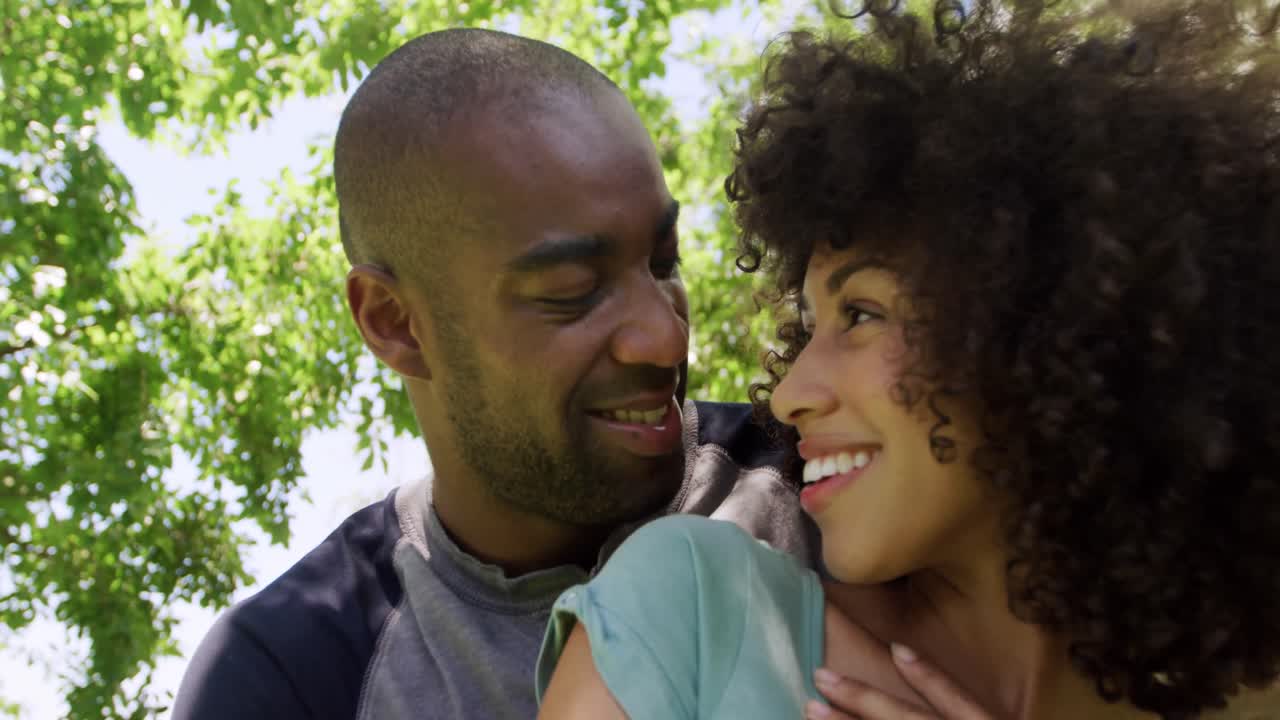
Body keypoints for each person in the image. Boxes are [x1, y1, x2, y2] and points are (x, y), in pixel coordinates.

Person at [535, 1, 1280, 719]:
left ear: (1047, 333)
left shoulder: (1247, 695)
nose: (788, 393)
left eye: (861, 313)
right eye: (811, 321)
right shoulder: (692, 608)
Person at [170, 28, 822, 720]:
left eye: (664, 264)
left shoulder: (820, 476)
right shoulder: (291, 675)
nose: (665, 337)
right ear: (394, 322)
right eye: (573, 291)